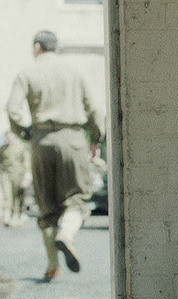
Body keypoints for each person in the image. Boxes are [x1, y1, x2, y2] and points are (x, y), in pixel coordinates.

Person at [5, 30, 104, 281]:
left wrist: (26, 133)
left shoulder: (27, 72)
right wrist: (95, 139)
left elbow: (12, 109)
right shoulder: (75, 71)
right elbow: (95, 109)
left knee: (46, 206)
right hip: (73, 140)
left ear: (37, 46)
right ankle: (67, 234)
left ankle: (52, 265)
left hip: (42, 141)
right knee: (77, 199)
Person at [0, 131, 32, 227]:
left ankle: (16, 216)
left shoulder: (21, 146)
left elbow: (26, 160)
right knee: (7, 194)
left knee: (17, 196)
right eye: (7, 136)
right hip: (6, 173)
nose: (8, 138)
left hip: (18, 173)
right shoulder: (3, 148)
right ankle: (7, 215)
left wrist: (27, 175)